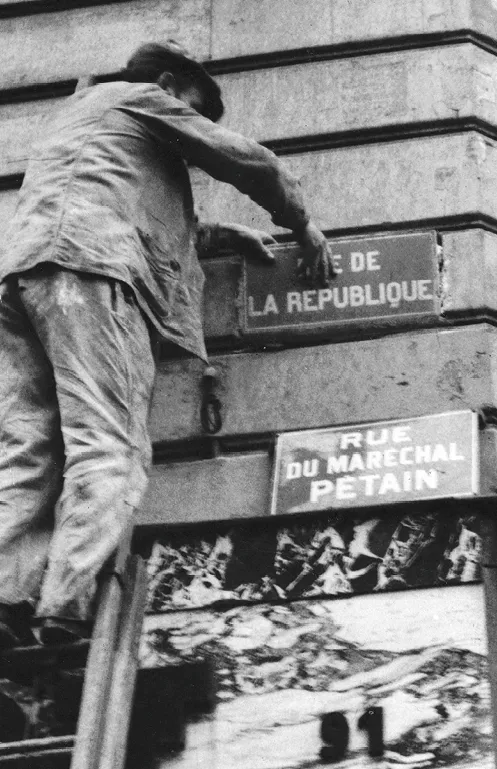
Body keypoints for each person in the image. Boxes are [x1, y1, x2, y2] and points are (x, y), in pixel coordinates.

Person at [0, 41, 336, 646]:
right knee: (110, 445)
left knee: (30, 451)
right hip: (93, 275)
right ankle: (66, 607)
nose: (198, 125)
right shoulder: (143, 98)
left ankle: (6, 598)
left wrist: (223, 233)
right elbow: (246, 161)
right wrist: (302, 224)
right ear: (166, 81)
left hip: (28, 278)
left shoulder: (83, 119)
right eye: (196, 109)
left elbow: (128, 205)